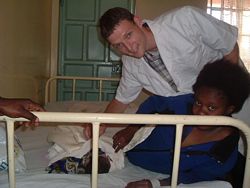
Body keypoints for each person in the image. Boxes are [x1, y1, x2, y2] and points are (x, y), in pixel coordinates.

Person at [84, 5, 240, 139]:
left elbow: (229, 46)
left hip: (225, 89)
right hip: (185, 109)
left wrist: (225, 96)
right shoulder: (130, 63)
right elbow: (122, 100)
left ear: (138, 22)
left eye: (128, 35)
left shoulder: (185, 19)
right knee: (143, 152)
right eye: (119, 45)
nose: (129, 48)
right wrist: (100, 123)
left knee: (240, 141)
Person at [121, 59, 250, 187]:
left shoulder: (223, 150)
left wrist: (155, 183)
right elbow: (154, 103)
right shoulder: (184, 105)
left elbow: (196, 177)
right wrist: (131, 128)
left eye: (211, 108)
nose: (200, 112)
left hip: (151, 172)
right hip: (128, 150)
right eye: (198, 103)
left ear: (229, 109)